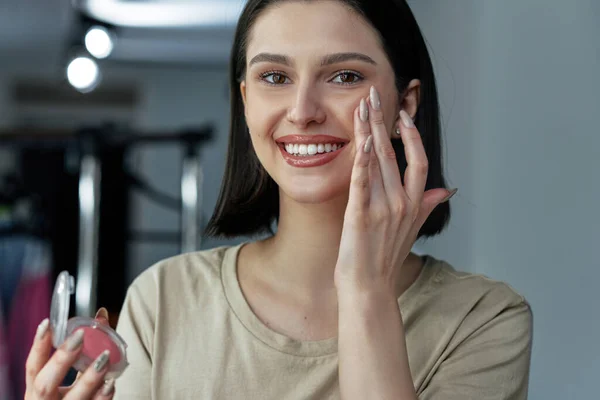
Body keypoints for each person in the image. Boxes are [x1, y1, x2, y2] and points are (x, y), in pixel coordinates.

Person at [24, 0, 533, 398]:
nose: (302, 110)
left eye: (344, 76)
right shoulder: (164, 300)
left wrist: (364, 290)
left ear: (405, 103)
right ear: (246, 101)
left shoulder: (482, 320)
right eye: (274, 77)